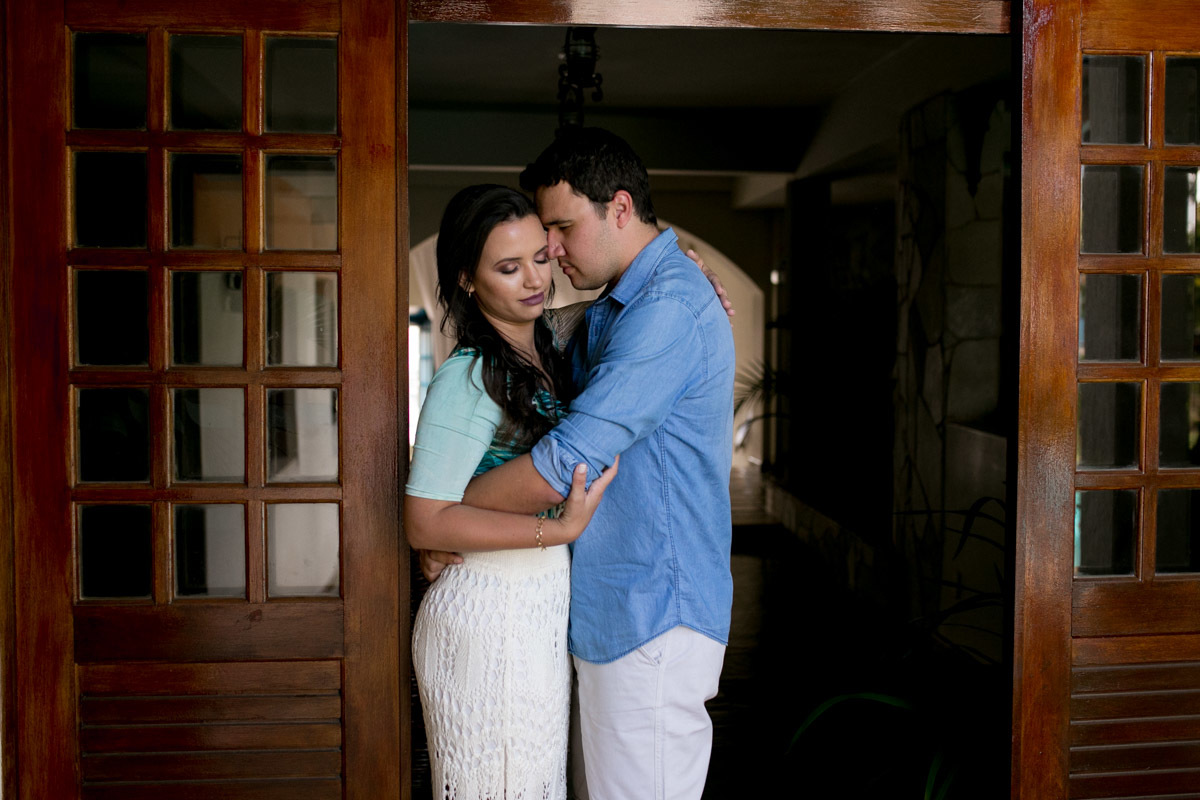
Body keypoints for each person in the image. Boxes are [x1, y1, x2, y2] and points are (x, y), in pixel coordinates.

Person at [440, 128, 736, 800]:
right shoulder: (629, 304)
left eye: (563, 228)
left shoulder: (668, 308)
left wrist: (448, 511)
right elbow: (549, 338)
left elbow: (564, 463)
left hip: (653, 618)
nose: (552, 250)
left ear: (622, 209)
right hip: (616, 611)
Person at [405, 184, 618, 800]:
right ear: (468, 280)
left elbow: (639, 297)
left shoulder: (549, 342)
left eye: (540, 259)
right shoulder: (471, 374)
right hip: (488, 612)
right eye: (507, 267)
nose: (533, 280)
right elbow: (424, 520)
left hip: (536, 609)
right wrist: (556, 530)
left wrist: (691, 274)